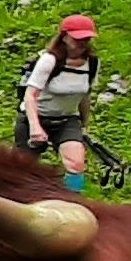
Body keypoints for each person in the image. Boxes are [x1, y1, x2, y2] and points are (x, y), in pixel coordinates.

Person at [17, 15, 100, 192]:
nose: (82, 43)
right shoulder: (49, 60)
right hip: (36, 117)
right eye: (77, 39)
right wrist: (35, 128)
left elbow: (85, 95)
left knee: (76, 163)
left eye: (86, 39)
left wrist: (84, 125)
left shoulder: (92, 63)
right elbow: (30, 95)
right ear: (64, 37)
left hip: (66, 119)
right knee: (25, 169)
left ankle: (73, 201)